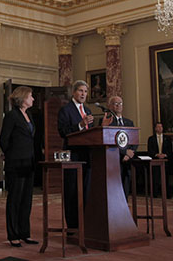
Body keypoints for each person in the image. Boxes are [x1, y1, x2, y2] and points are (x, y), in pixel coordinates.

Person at [0, 86, 39, 247]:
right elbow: (3, 140)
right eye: (31, 96)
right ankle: (13, 234)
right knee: (15, 199)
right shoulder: (11, 116)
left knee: (26, 199)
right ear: (23, 98)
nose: (33, 99)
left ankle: (24, 233)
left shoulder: (28, 114)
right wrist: (12, 156)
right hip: (15, 164)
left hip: (28, 163)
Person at [57, 80, 94, 232]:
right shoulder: (65, 110)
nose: (83, 94)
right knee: (72, 191)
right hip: (73, 156)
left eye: (85, 91)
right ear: (74, 92)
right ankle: (73, 226)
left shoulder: (88, 110)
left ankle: (85, 223)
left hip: (87, 156)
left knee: (86, 191)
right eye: (80, 91)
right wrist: (80, 124)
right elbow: (63, 131)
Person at [100, 95, 136, 195]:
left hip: (127, 160)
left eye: (120, 103)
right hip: (113, 160)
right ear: (110, 106)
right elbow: (107, 139)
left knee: (126, 186)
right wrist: (124, 152)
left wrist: (129, 154)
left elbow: (134, 139)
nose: (118, 106)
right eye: (115, 104)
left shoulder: (129, 122)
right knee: (114, 189)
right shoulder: (107, 122)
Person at [147, 122, 173, 197]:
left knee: (166, 178)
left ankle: (166, 194)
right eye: (158, 127)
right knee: (155, 178)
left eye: (161, 127)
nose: (160, 128)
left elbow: (170, 150)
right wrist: (156, 155)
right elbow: (150, 150)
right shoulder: (151, 139)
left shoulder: (167, 138)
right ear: (155, 128)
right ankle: (155, 194)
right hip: (155, 161)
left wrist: (165, 155)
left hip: (165, 161)